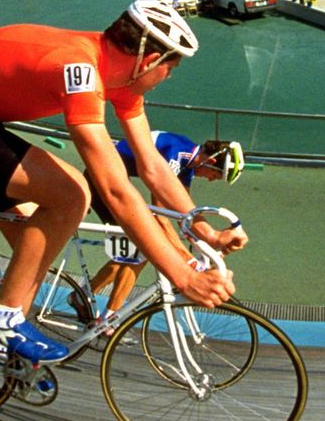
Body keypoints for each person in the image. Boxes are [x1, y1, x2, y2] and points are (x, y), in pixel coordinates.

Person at [0, 0, 238, 363]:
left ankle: (4, 348)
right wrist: (183, 276)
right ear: (149, 61)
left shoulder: (122, 79)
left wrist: (206, 232)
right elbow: (114, 189)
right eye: (170, 68)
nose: (168, 78)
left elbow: (154, 168)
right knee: (72, 194)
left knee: (35, 255)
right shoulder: (79, 68)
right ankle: (2, 321)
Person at [83, 134, 246, 329]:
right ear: (211, 162)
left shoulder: (188, 166)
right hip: (101, 180)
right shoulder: (176, 155)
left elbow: (183, 217)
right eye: (216, 176)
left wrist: (201, 248)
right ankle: (107, 320)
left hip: (112, 179)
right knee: (142, 248)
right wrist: (189, 260)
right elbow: (160, 217)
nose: (211, 180)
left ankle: (86, 296)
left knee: (134, 251)